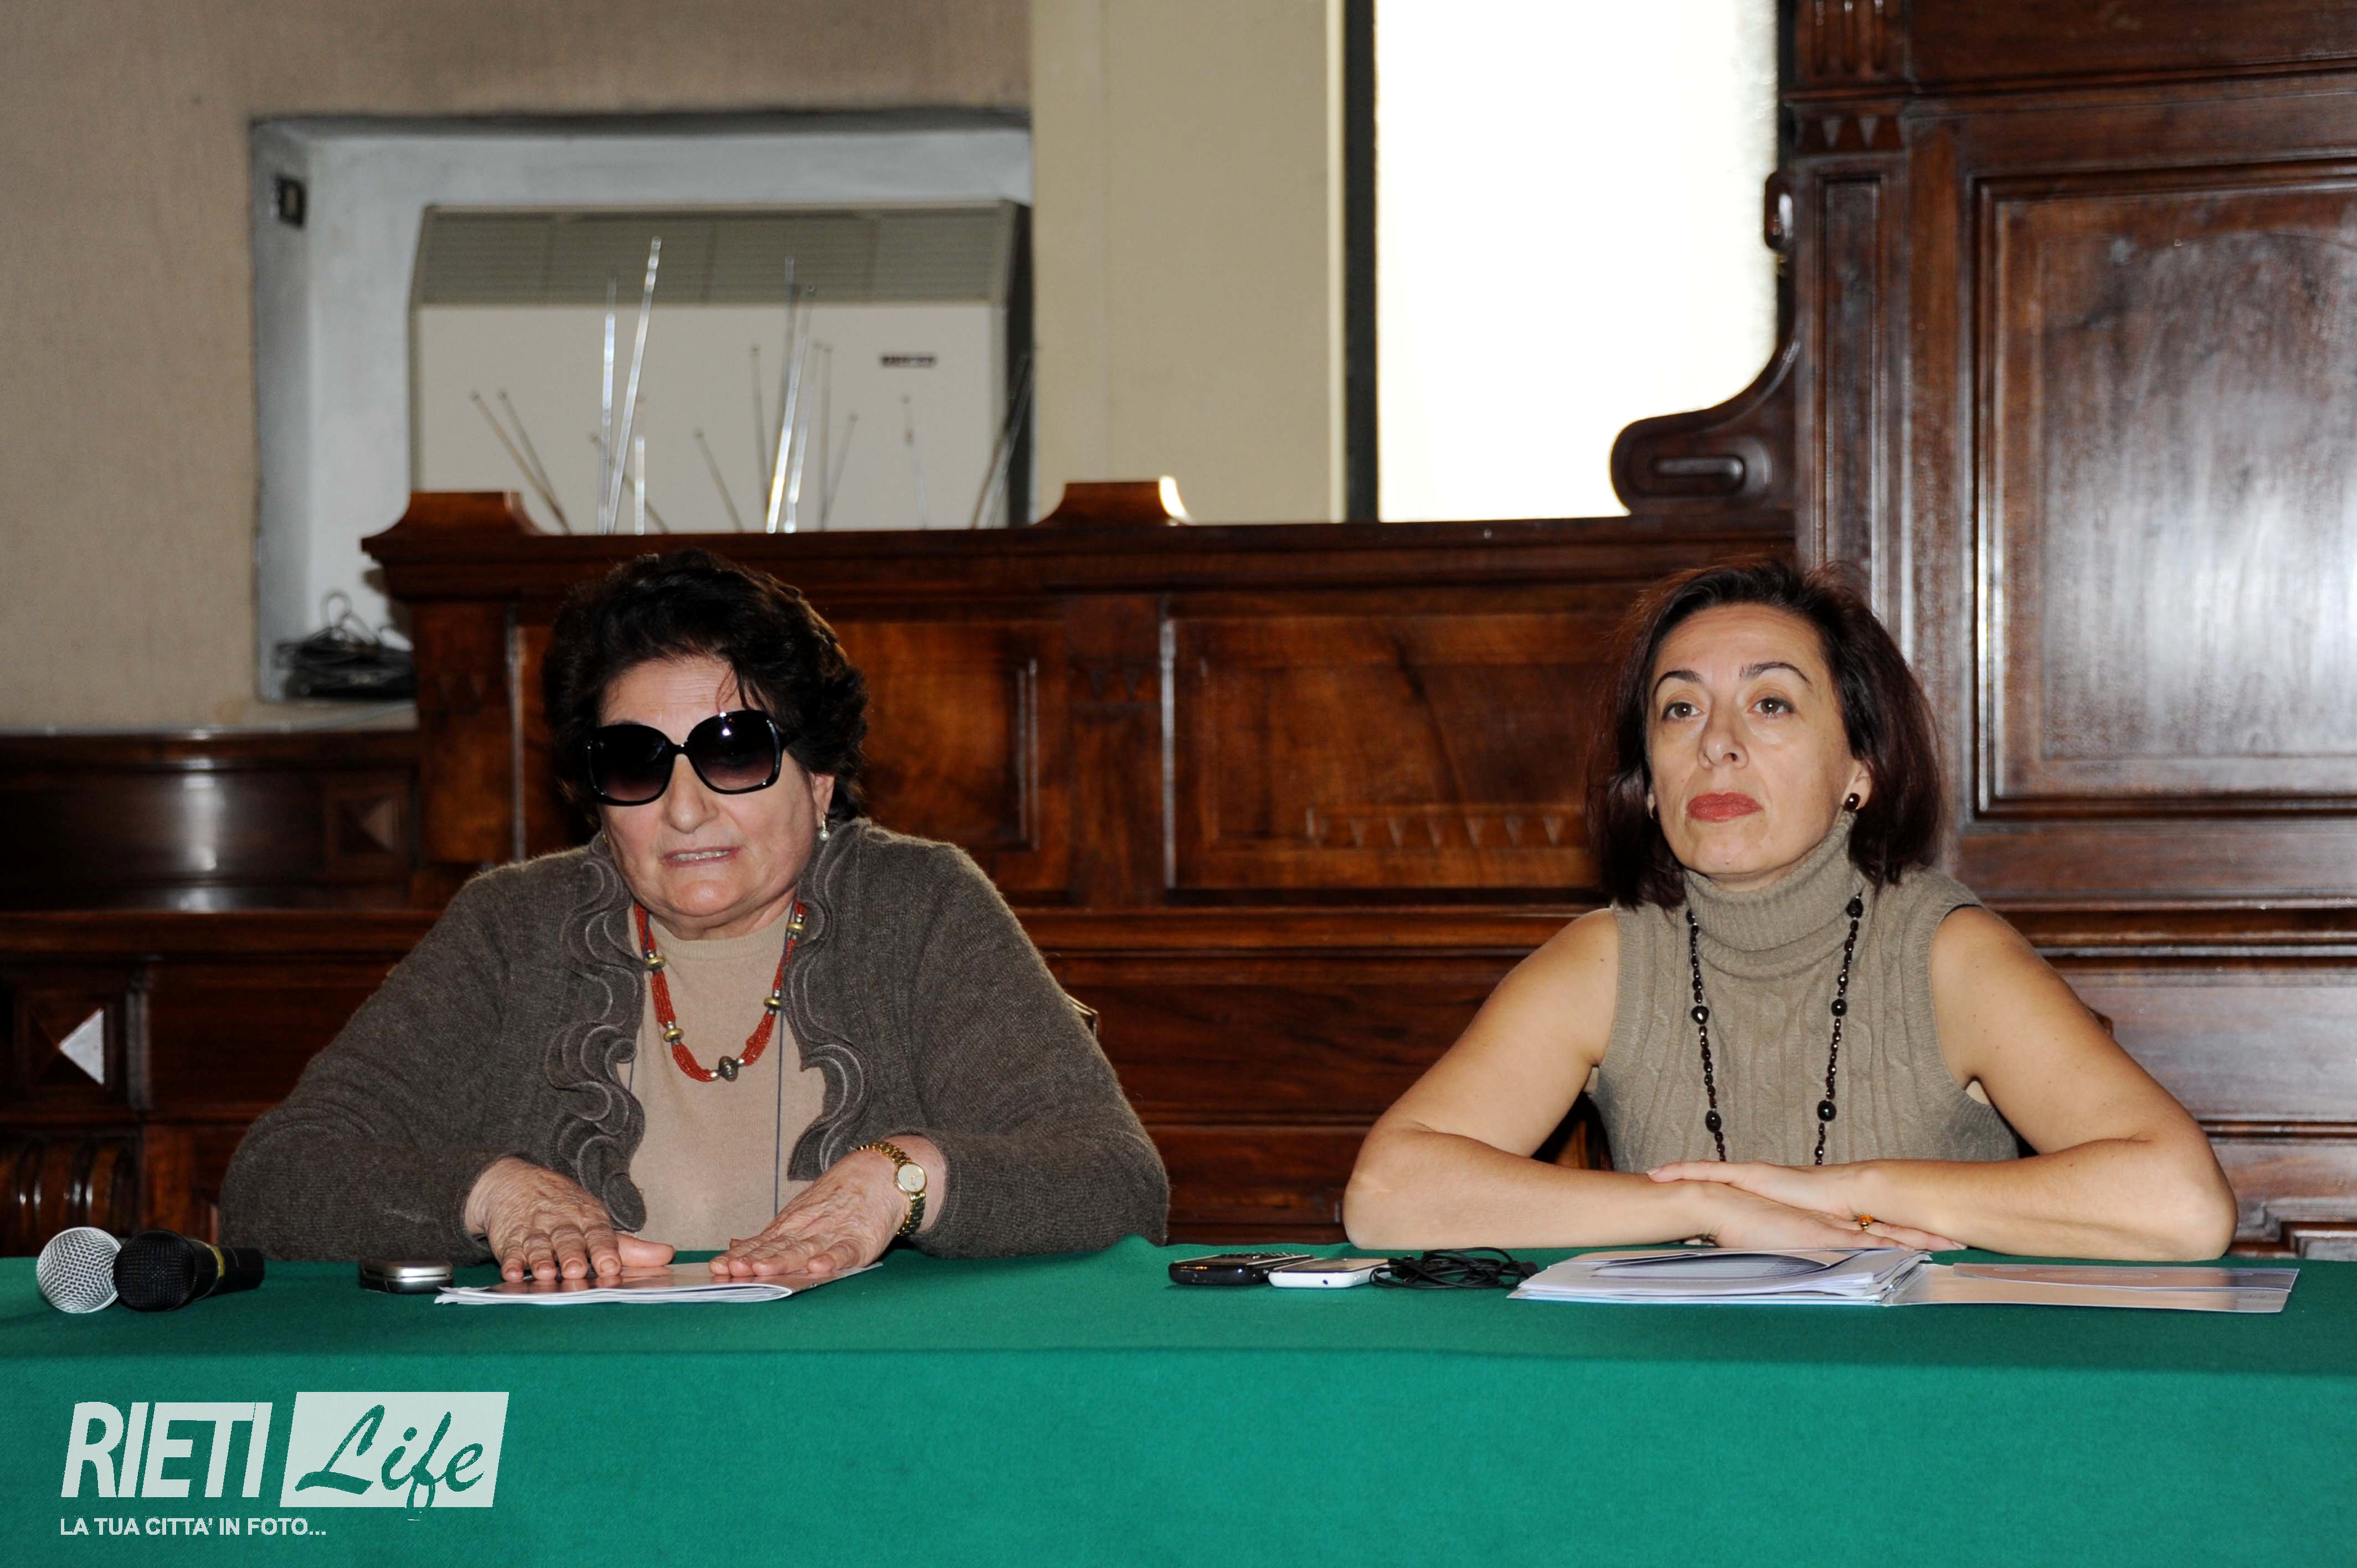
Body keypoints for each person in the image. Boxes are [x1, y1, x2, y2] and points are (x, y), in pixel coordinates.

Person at [223, 548, 1169, 1281]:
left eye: (733, 751)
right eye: (636, 762)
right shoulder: (512, 929)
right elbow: (274, 1182)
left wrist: (903, 1177)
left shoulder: (920, 908)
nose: (684, 808)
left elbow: (1116, 1182)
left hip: (869, 1408)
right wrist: (491, 1194)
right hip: (577, 1407)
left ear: (819, 778)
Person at [1344, 559, 2236, 1261]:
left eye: (1770, 704)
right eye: (1680, 710)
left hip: (1925, 1398)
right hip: (1681, 1392)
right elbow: (1388, 1194)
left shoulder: (1946, 953)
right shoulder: (1606, 960)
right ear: (1648, 783)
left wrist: (1848, 1193)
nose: (1717, 745)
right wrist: (1708, 1209)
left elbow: (2181, 1203)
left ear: (1860, 770)